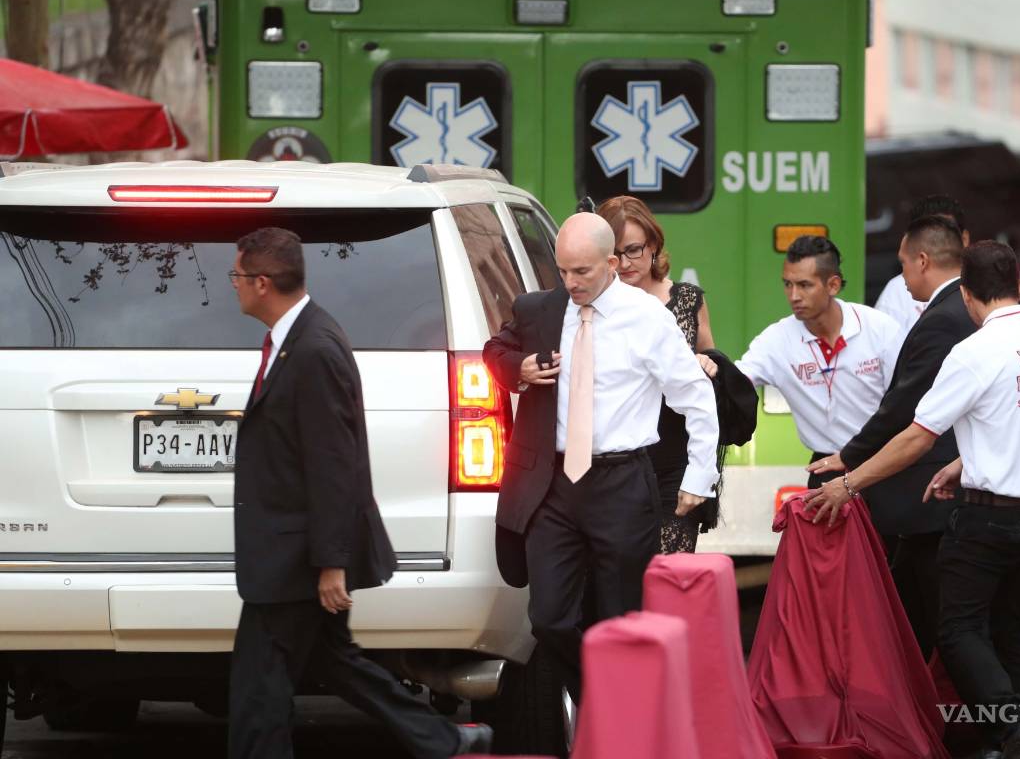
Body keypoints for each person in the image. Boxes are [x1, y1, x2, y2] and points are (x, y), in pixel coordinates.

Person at [804, 241, 1020, 759]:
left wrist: (848, 483)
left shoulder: (975, 351)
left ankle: (1012, 728)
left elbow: (917, 435)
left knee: (959, 628)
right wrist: (966, 462)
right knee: (1013, 631)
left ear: (966, 295)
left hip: (989, 520)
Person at [226, 228, 489, 759]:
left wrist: (331, 563)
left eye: (235, 277)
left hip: (296, 560)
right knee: (334, 661)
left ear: (261, 283)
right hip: (292, 553)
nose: (231, 286)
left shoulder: (314, 350)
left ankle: (444, 743)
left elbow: (333, 465)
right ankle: (443, 742)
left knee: (258, 690)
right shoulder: (293, 340)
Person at [482, 213, 719, 702]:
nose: (570, 283)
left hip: (622, 481)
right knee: (549, 619)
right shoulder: (541, 310)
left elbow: (694, 395)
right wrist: (519, 370)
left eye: (582, 272)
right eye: (563, 270)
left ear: (611, 264)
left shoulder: (647, 316)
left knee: (621, 616)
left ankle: (621, 717)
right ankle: (597, 698)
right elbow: (495, 352)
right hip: (552, 482)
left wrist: (700, 474)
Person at [807, 213, 974, 660]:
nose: (901, 277)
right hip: (950, 488)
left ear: (922, 260)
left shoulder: (943, 318)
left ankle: (988, 721)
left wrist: (851, 457)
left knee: (940, 625)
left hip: (933, 490)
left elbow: (905, 406)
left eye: (903, 264)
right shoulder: (962, 308)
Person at [596, 195, 716, 553]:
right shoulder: (593, 307)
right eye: (616, 252)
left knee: (669, 577)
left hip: (674, 458)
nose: (627, 262)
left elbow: (711, 357)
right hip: (615, 466)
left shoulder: (686, 299)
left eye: (634, 249)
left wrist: (706, 362)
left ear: (653, 244)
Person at [736, 236, 900, 494]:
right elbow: (737, 379)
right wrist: (709, 367)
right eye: (787, 284)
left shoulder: (879, 328)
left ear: (833, 285)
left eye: (804, 285)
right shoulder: (778, 339)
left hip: (883, 462)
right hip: (826, 468)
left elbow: (904, 403)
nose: (793, 296)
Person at [873, 195, 968, 336]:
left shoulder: (983, 283)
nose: (938, 242)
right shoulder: (898, 290)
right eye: (931, 235)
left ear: (964, 238)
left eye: (946, 233)